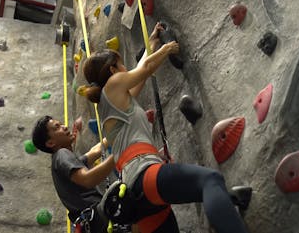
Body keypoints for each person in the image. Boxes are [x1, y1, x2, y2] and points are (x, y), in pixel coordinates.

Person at [81, 23, 250, 233]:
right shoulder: (113, 84)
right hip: (144, 174)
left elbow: (140, 74)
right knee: (209, 180)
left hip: (136, 192)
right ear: (113, 70)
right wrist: (167, 47)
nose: (125, 69)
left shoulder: (112, 104)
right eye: (122, 65)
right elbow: (145, 69)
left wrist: (152, 43)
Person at [31, 115, 116, 232]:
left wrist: (118, 131)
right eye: (57, 127)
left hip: (91, 223)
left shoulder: (64, 161)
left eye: (61, 124)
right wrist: (120, 153)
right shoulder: (61, 155)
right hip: (97, 220)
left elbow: (95, 151)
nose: (65, 127)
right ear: (50, 143)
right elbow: (87, 179)